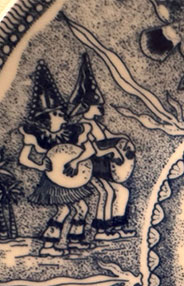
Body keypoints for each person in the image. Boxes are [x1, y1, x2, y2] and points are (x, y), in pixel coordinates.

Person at [19, 60, 94, 256]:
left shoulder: (72, 132)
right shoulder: (37, 136)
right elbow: (24, 159)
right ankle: (49, 245)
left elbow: (89, 150)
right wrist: (39, 166)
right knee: (64, 210)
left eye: (62, 113)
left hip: (71, 176)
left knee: (82, 208)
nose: (62, 116)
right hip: (53, 180)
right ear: (48, 116)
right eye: (58, 114)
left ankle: (75, 241)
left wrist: (75, 161)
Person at [69, 53, 135, 241]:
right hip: (88, 169)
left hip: (101, 169)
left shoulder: (96, 125)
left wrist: (123, 139)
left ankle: (116, 227)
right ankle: (101, 231)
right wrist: (113, 150)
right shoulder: (83, 126)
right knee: (106, 192)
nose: (100, 108)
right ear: (87, 106)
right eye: (97, 105)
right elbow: (94, 150)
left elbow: (109, 137)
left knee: (122, 191)